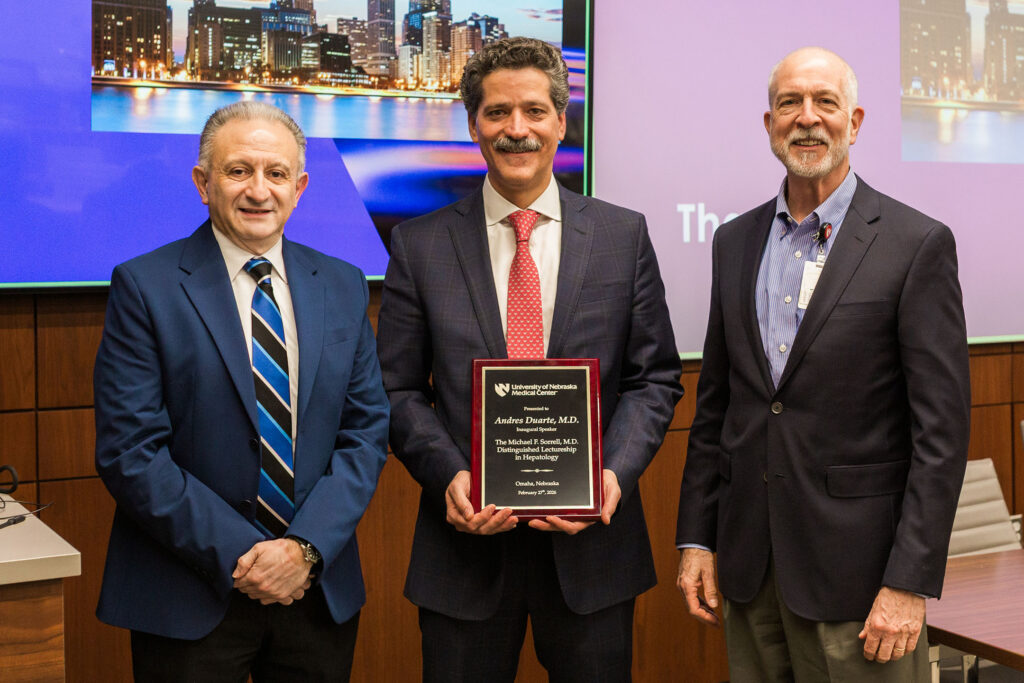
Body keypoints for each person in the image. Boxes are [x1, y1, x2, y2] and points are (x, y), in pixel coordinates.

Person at [376, 36, 683, 682]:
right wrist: (449, 477)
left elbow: (653, 377)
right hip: (463, 551)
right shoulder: (419, 246)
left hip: (592, 553)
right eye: (497, 112)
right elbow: (396, 389)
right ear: (473, 124)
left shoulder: (622, 236)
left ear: (560, 121)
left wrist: (614, 473)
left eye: (534, 111)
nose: (517, 130)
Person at [675, 46, 971, 681]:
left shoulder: (916, 244)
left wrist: (908, 583)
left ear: (855, 122)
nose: (807, 118)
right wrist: (698, 539)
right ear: (769, 124)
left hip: (862, 587)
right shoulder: (734, 241)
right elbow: (717, 409)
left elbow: (941, 437)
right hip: (751, 574)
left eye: (825, 103)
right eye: (790, 104)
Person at [93, 101, 389, 682]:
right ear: (203, 183)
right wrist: (251, 558)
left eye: (276, 173)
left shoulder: (343, 284)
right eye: (238, 171)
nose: (259, 190)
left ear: (299, 187)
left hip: (315, 590)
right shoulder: (144, 286)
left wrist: (302, 550)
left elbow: (365, 434)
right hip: (188, 594)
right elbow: (130, 453)